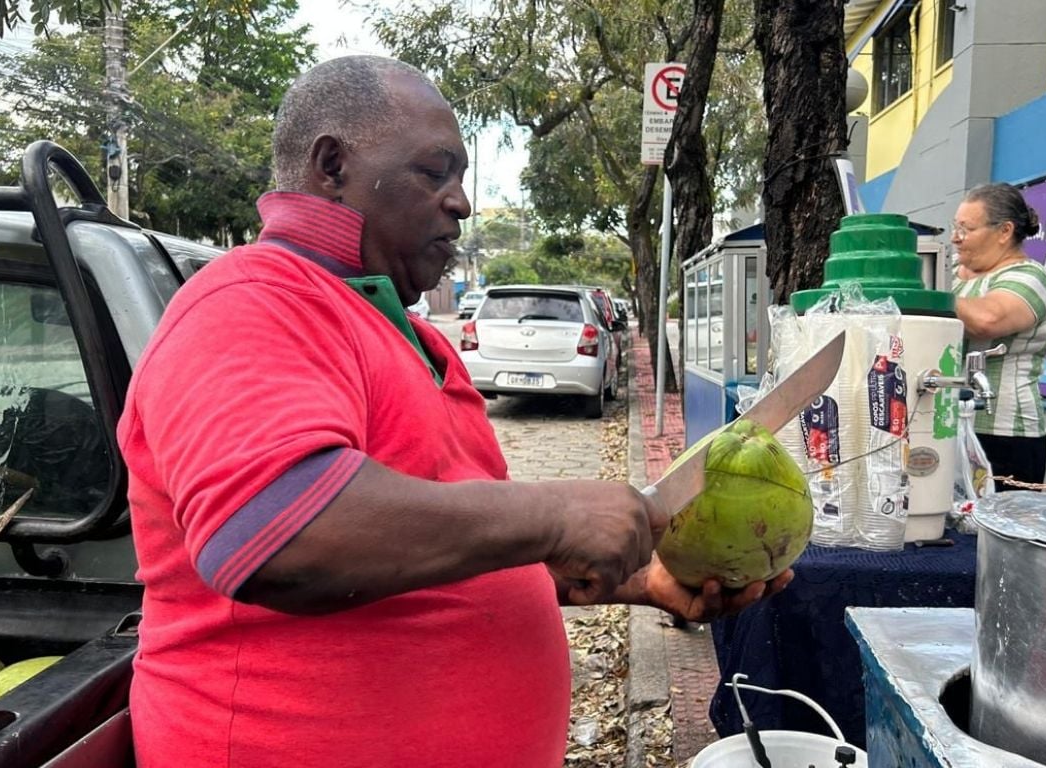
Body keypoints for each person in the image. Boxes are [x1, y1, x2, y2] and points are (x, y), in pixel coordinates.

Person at [117, 55, 792, 767]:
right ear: (331, 165)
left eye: (461, 178)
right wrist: (557, 513)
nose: (462, 202)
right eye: (435, 172)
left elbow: (462, 549)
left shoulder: (413, 339)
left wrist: (643, 582)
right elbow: (279, 535)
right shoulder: (254, 301)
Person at [950, 182, 1046, 490]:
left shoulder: (1030, 277)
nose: (955, 238)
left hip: (1005, 437)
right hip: (951, 426)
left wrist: (926, 293)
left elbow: (987, 320)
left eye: (966, 229)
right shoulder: (955, 276)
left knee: (989, 534)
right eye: (954, 227)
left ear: (1004, 231)